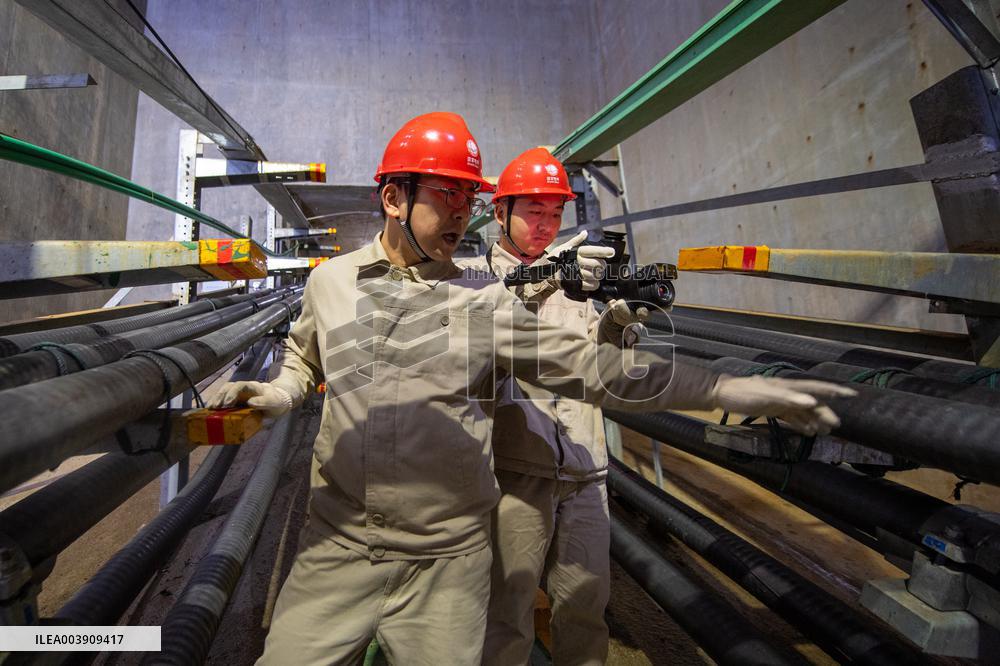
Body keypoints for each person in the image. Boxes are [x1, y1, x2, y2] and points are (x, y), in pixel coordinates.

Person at [207, 112, 856, 665]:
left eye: (467, 198)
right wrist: (279, 394)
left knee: (561, 616)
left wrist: (731, 390)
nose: (459, 213)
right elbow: (302, 359)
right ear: (393, 198)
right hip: (341, 539)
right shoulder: (333, 283)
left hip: (447, 555)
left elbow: (595, 371)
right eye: (444, 196)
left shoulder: (483, 298)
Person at [457, 147, 643, 665]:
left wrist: (618, 325)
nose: (546, 225)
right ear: (500, 213)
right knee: (506, 613)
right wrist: (547, 278)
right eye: (534, 212)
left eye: (556, 213)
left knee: (585, 610)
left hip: (585, 470)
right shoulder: (473, 277)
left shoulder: (576, 282)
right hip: (515, 475)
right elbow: (479, 338)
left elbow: (599, 370)